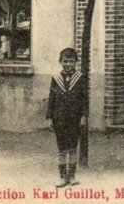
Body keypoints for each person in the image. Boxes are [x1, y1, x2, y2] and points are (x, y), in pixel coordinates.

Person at [47, 47, 87, 188]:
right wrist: (50, 118)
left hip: (74, 119)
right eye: (65, 61)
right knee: (62, 148)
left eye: (71, 61)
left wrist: (83, 116)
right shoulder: (56, 79)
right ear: (60, 62)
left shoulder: (80, 78)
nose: (68, 64)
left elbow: (84, 99)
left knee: (73, 147)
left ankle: (73, 175)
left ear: (76, 62)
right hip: (59, 119)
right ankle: (63, 177)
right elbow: (51, 99)